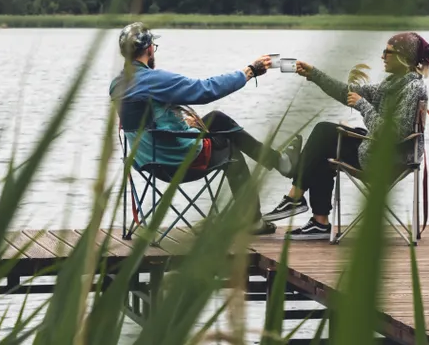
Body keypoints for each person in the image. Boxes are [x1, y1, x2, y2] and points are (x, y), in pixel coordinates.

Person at [109, 22, 301, 236]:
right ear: (149, 49)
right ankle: (255, 216)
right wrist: (250, 71)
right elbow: (205, 90)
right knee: (231, 150)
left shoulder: (117, 85)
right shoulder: (152, 80)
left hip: (148, 160)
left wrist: (182, 123)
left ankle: (277, 162)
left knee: (216, 119)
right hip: (176, 160)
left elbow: (147, 121)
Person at [262, 32, 429, 240]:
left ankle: (299, 200)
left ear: (403, 57)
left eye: (387, 52)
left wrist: (363, 106)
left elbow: (394, 134)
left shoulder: (412, 89)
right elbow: (348, 91)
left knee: (324, 134)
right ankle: (316, 219)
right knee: (325, 138)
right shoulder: (393, 85)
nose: (382, 56)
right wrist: (313, 74)